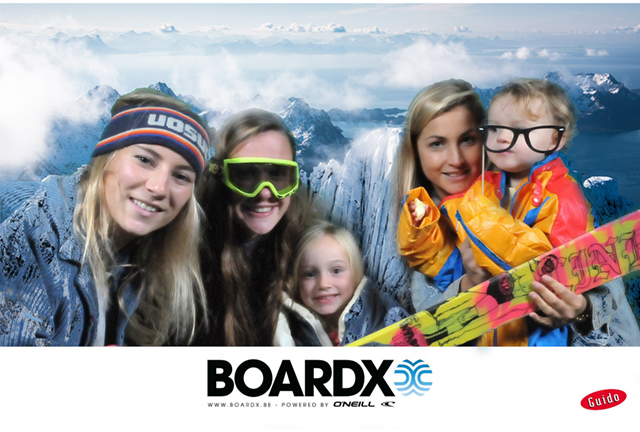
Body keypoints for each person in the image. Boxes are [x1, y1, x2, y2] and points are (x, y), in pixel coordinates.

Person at [393, 79, 640, 346]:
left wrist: (582, 308)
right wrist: (424, 230)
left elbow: (573, 272)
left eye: (467, 140)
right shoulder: (463, 202)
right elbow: (434, 288)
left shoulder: (554, 196)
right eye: (436, 144)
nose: (455, 159)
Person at [0, 88, 210, 346]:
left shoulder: (143, 257)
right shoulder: (33, 239)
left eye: (181, 176)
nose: (158, 187)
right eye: (144, 160)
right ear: (106, 159)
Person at [193, 109, 308, 346]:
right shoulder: (189, 261)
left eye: (278, 174)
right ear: (220, 177)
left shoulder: (309, 250)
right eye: (245, 174)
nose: (265, 192)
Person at [274, 220, 409, 346]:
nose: (323, 284)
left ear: (355, 272)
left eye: (336, 271)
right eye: (310, 274)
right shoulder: (287, 331)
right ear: (297, 281)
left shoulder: (389, 319)